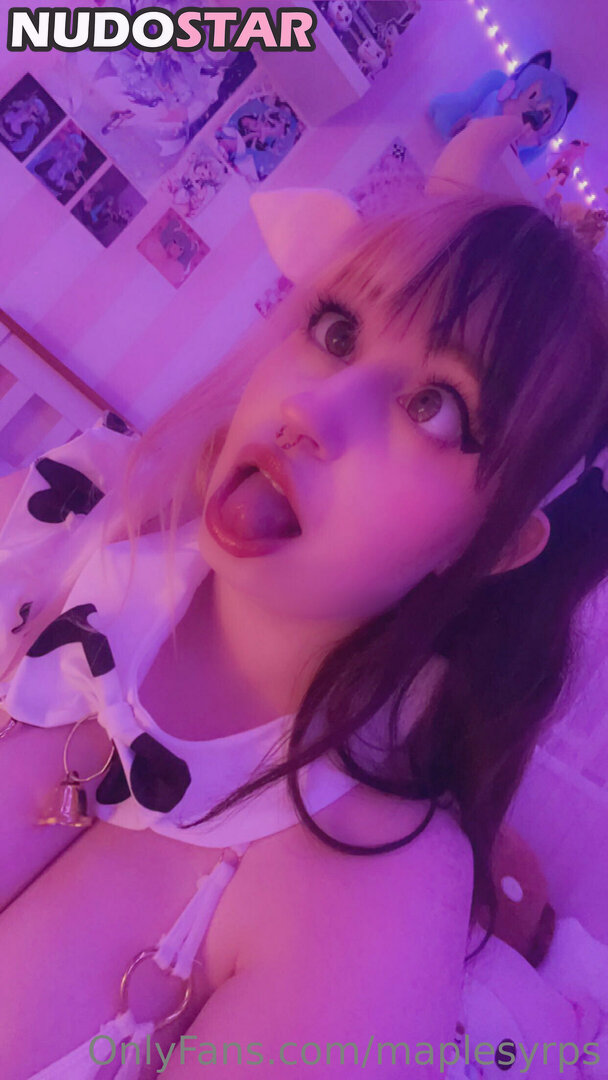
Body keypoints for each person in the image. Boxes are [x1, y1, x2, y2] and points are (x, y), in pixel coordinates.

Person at [0, 176, 607, 1080]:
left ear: (496, 543)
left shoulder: (374, 889)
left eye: (435, 406)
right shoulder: (63, 514)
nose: (309, 411)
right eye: (336, 331)